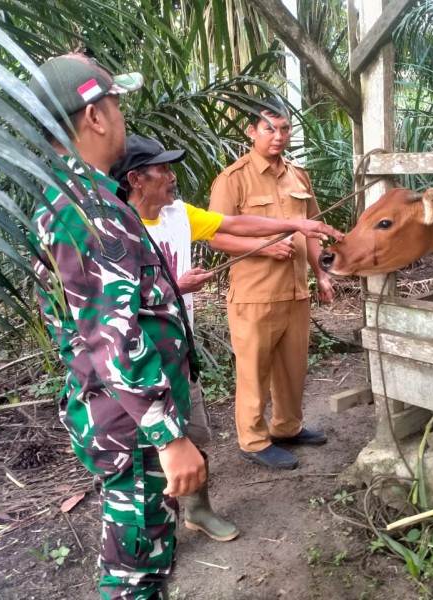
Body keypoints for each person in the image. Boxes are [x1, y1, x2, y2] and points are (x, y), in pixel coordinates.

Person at [27, 53, 204, 600]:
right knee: (132, 574)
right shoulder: (86, 211)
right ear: (94, 117)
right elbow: (114, 336)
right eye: (116, 104)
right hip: (133, 429)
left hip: (122, 419)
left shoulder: (79, 195)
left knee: (146, 552)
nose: (122, 117)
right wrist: (170, 437)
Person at [109, 135, 343, 542]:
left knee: (193, 433)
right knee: (140, 446)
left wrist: (295, 223)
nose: (171, 175)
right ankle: (143, 534)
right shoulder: (112, 228)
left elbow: (233, 223)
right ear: (135, 179)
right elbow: (102, 306)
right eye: (162, 169)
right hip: (133, 355)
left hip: (178, 346)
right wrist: (171, 286)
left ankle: (198, 510)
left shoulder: (177, 214)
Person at [208, 98, 335, 470]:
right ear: (251, 131)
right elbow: (215, 236)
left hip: (295, 292)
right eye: (269, 129)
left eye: (284, 129)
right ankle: (253, 440)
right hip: (255, 295)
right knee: (254, 370)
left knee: (293, 368)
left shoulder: (299, 176)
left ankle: (287, 428)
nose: (278, 137)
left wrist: (321, 273)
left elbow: (312, 231)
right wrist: (261, 250)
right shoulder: (233, 179)